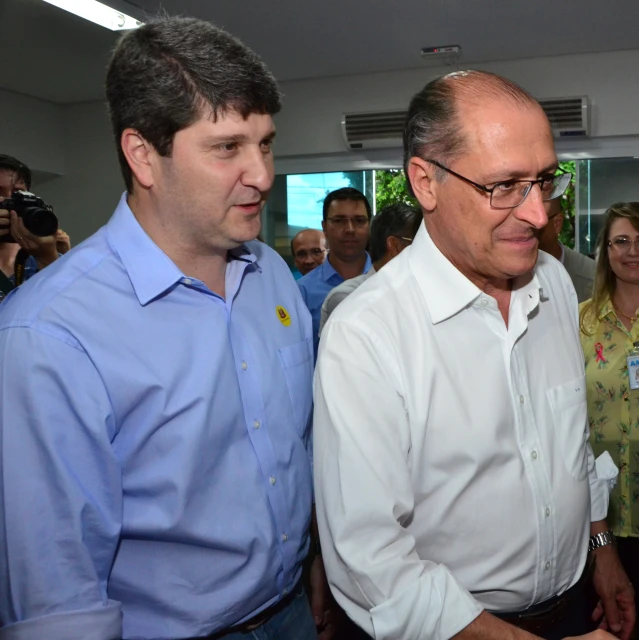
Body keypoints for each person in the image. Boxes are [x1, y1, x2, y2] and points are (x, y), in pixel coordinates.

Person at [0, 17, 329, 640]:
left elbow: (295, 446)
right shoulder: (47, 337)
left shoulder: (274, 277)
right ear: (142, 154)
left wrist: (310, 556)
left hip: (292, 611)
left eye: (265, 143)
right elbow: (55, 600)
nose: (261, 174)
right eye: (228, 147)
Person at [313, 69, 632, 640]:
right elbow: (369, 563)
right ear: (425, 182)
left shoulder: (554, 284)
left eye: (544, 181)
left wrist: (602, 547)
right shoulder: (367, 332)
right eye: (504, 186)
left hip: (572, 604)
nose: (538, 214)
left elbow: (572, 443)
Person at [580, 202, 639, 621]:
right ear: (605, 250)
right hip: (598, 511)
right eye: (622, 241)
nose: (633, 250)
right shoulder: (580, 322)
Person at [319, 202, 421, 333]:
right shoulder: (348, 296)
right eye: (420, 241)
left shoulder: (420, 291)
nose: (429, 250)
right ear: (395, 246)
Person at [297, 187, 372, 354]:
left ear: (369, 225)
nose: (350, 229)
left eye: (359, 221)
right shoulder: (301, 292)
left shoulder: (388, 278)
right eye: (339, 221)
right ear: (324, 227)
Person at [0, 154, 69, 298]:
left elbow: (71, 310)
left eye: (17, 193)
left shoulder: (46, 255)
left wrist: (48, 258)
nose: (7, 200)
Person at [539, 197, 595, 302]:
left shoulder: (591, 278)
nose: (524, 230)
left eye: (536, 224)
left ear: (557, 224)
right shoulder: (506, 277)